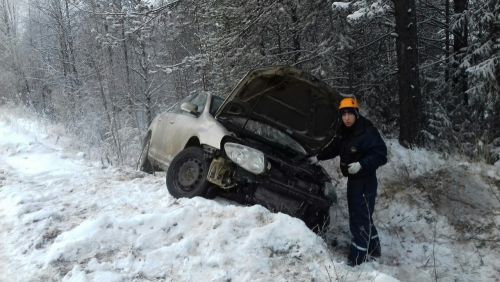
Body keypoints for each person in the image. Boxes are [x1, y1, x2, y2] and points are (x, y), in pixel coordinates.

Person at [317, 97, 387, 266]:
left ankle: (357, 259)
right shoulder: (345, 131)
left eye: (350, 114)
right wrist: (317, 156)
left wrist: (362, 164)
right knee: (363, 215)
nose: (346, 117)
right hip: (354, 181)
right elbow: (335, 148)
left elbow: (381, 154)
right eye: (343, 114)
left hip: (365, 180)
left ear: (356, 113)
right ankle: (374, 249)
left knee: (359, 218)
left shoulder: (367, 131)